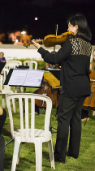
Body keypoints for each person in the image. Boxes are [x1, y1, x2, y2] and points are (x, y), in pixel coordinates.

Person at [32, 13, 92, 163]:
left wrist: (40, 48)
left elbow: (53, 59)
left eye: (69, 25)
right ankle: (74, 152)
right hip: (83, 86)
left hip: (71, 86)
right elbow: (76, 64)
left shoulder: (70, 43)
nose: (67, 28)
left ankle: (59, 156)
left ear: (76, 27)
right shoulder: (87, 45)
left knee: (63, 119)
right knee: (76, 119)